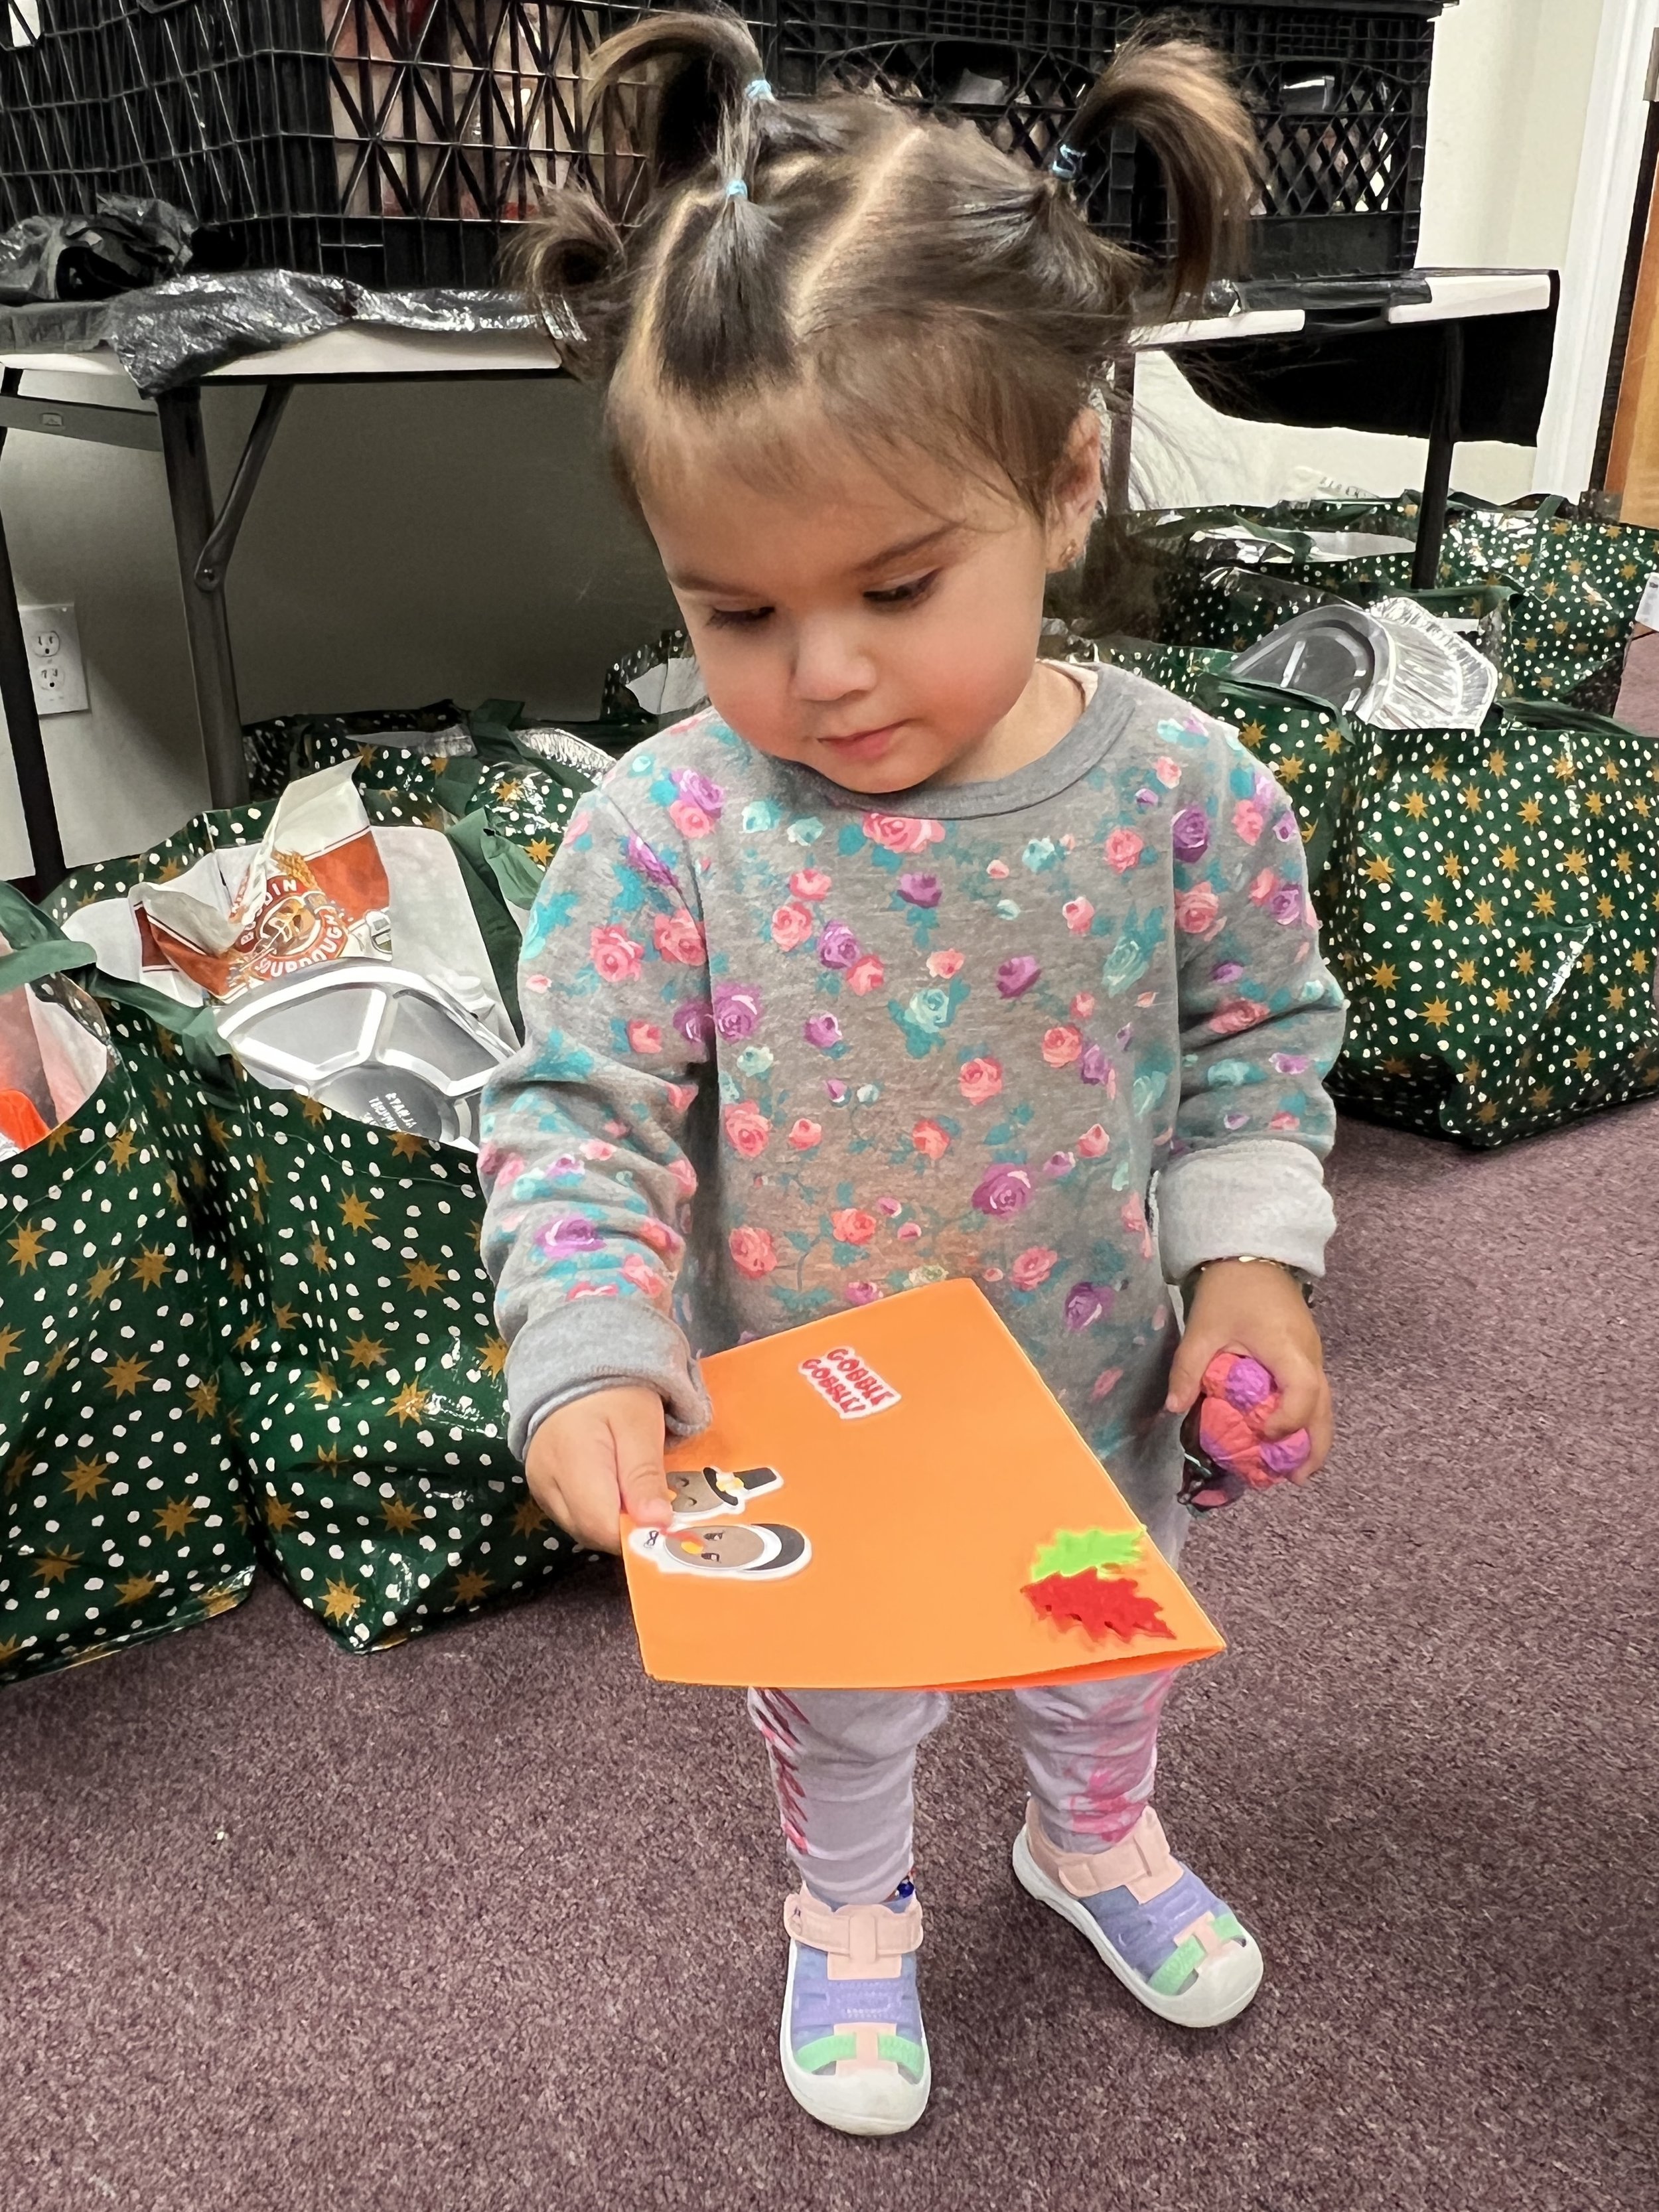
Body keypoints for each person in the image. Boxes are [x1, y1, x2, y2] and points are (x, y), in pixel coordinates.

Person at [478, 7, 1345, 2139]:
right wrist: (585, 1337)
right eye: (733, 610)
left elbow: (1255, 1043)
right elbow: (575, 1108)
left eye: (889, 586)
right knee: (846, 1710)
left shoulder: (1184, 790)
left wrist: (1250, 1272)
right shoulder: (668, 826)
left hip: (1087, 1385)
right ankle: (846, 1909)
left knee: (1102, 1652)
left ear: (1062, 486)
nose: (822, 671)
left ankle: (1089, 1841)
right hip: (812, 1427)